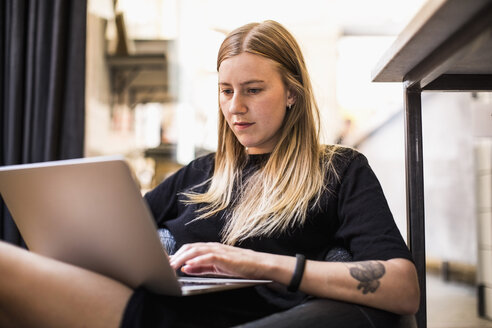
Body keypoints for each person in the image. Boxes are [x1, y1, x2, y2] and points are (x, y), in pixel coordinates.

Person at [0, 20, 419, 328]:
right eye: (226, 90)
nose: (235, 106)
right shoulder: (201, 172)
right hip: (144, 301)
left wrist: (260, 264)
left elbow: (404, 288)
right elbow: (122, 242)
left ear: (292, 93)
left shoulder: (338, 170)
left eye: (253, 90)